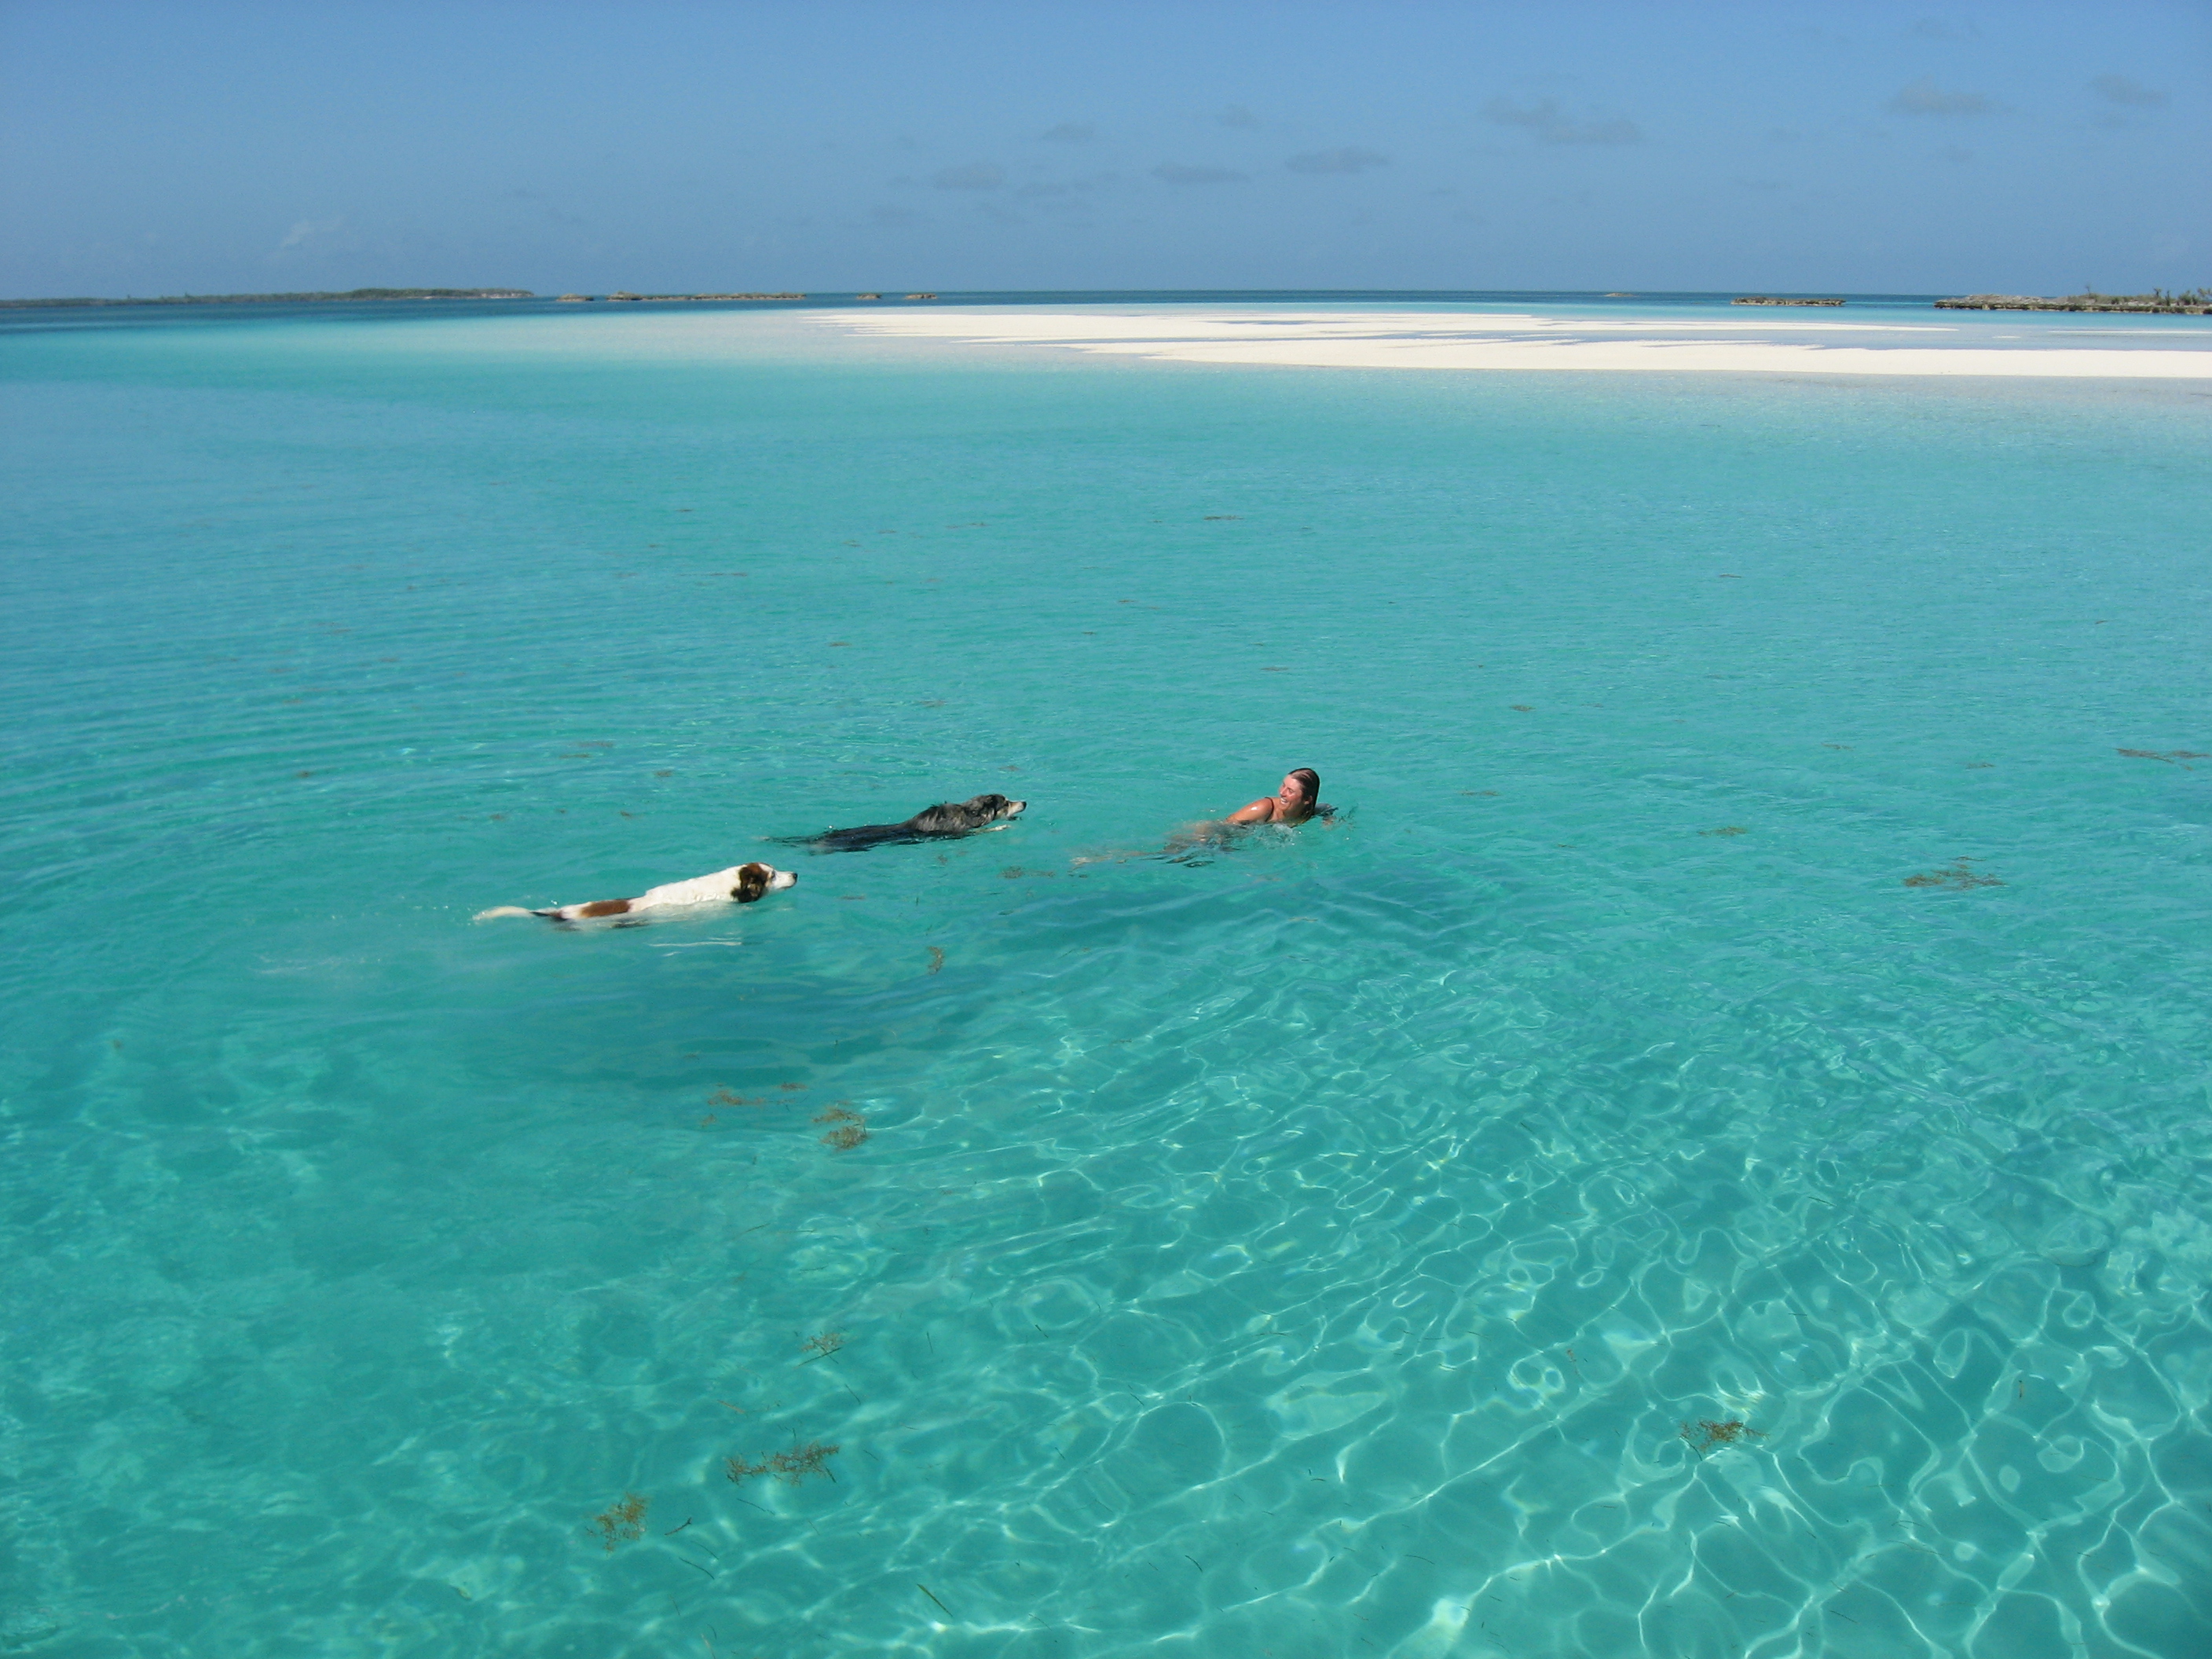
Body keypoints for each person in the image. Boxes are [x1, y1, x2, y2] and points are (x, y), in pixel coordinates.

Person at [1220, 767, 1326, 828]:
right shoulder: (1265, 808)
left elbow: (1326, 808)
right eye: (1283, 785)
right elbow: (1222, 826)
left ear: (1307, 800)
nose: (1281, 792)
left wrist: (1329, 820)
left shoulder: (1308, 813)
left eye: (1290, 791)